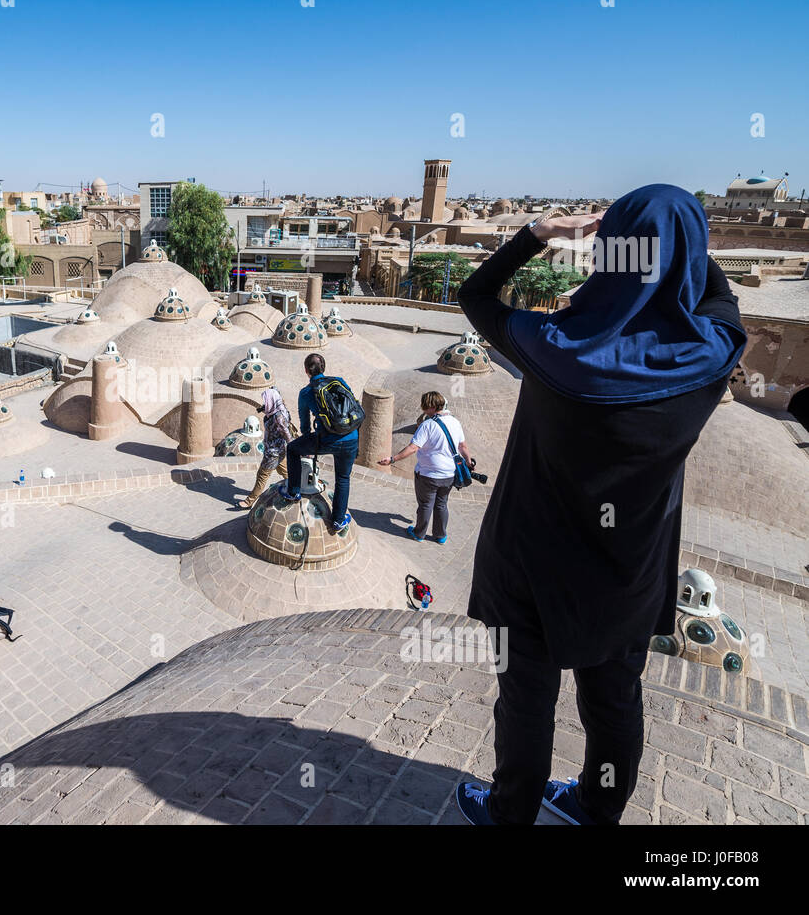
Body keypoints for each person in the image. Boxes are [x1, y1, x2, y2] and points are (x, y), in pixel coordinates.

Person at [450, 185, 746, 826]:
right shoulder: (710, 354)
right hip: (627, 572)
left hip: (529, 561)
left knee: (525, 699)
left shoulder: (553, 344)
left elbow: (474, 297)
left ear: (612, 254)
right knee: (614, 702)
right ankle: (596, 808)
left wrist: (539, 234)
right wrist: (684, 241)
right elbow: (721, 300)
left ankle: (511, 813)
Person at [377, 391, 474, 544]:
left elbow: (413, 448)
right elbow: (463, 446)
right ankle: (440, 536)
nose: (423, 410)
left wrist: (392, 459)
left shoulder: (427, 425)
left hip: (428, 474)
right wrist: (468, 461)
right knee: (442, 504)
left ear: (431, 407)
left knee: (426, 504)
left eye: (424, 407)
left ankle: (419, 533)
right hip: (449, 474)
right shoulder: (455, 422)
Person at [277, 353, 359, 531]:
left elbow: (305, 424)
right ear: (324, 368)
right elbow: (352, 404)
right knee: (343, 479)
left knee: (292, 449)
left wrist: (306, 440)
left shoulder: (306, 392)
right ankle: (338, 520)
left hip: (327, 440)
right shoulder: (339, 381)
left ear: (306, 371)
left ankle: (294, 491)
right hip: (352, 437)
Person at [239, 388, 297, 508]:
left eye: (266, 400)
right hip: (280, 450)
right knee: (285, 472)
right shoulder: (279, 409)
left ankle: (249, 501)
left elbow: (287, 435)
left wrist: (297, 448)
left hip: (273, 453)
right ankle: (297, 489)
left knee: (262, 475)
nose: (265, 402)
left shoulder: (278, 417)